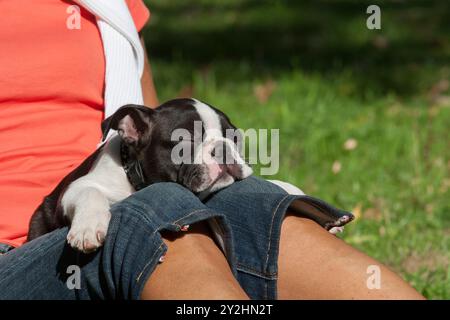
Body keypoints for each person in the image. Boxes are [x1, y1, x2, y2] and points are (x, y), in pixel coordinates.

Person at [0, 0, 424, 300]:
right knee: (162, 216)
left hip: (131, 209)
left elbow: (159, 124)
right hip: (19, 258)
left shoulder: (109, 4)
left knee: (260, 206)